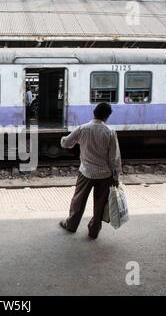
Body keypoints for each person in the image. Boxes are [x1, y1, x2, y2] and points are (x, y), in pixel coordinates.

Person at [59, 102, 122, 239]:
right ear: (107, 116)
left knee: (78, 200)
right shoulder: (110, 132)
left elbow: (66, 143)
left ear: (94, 112)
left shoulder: (82, 129)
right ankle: (94, 231)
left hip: (86, 172)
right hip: (104, 175)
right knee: (100, 204)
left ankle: (71, 225)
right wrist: (116, 176)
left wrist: (63, 139)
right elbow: (114, 158)